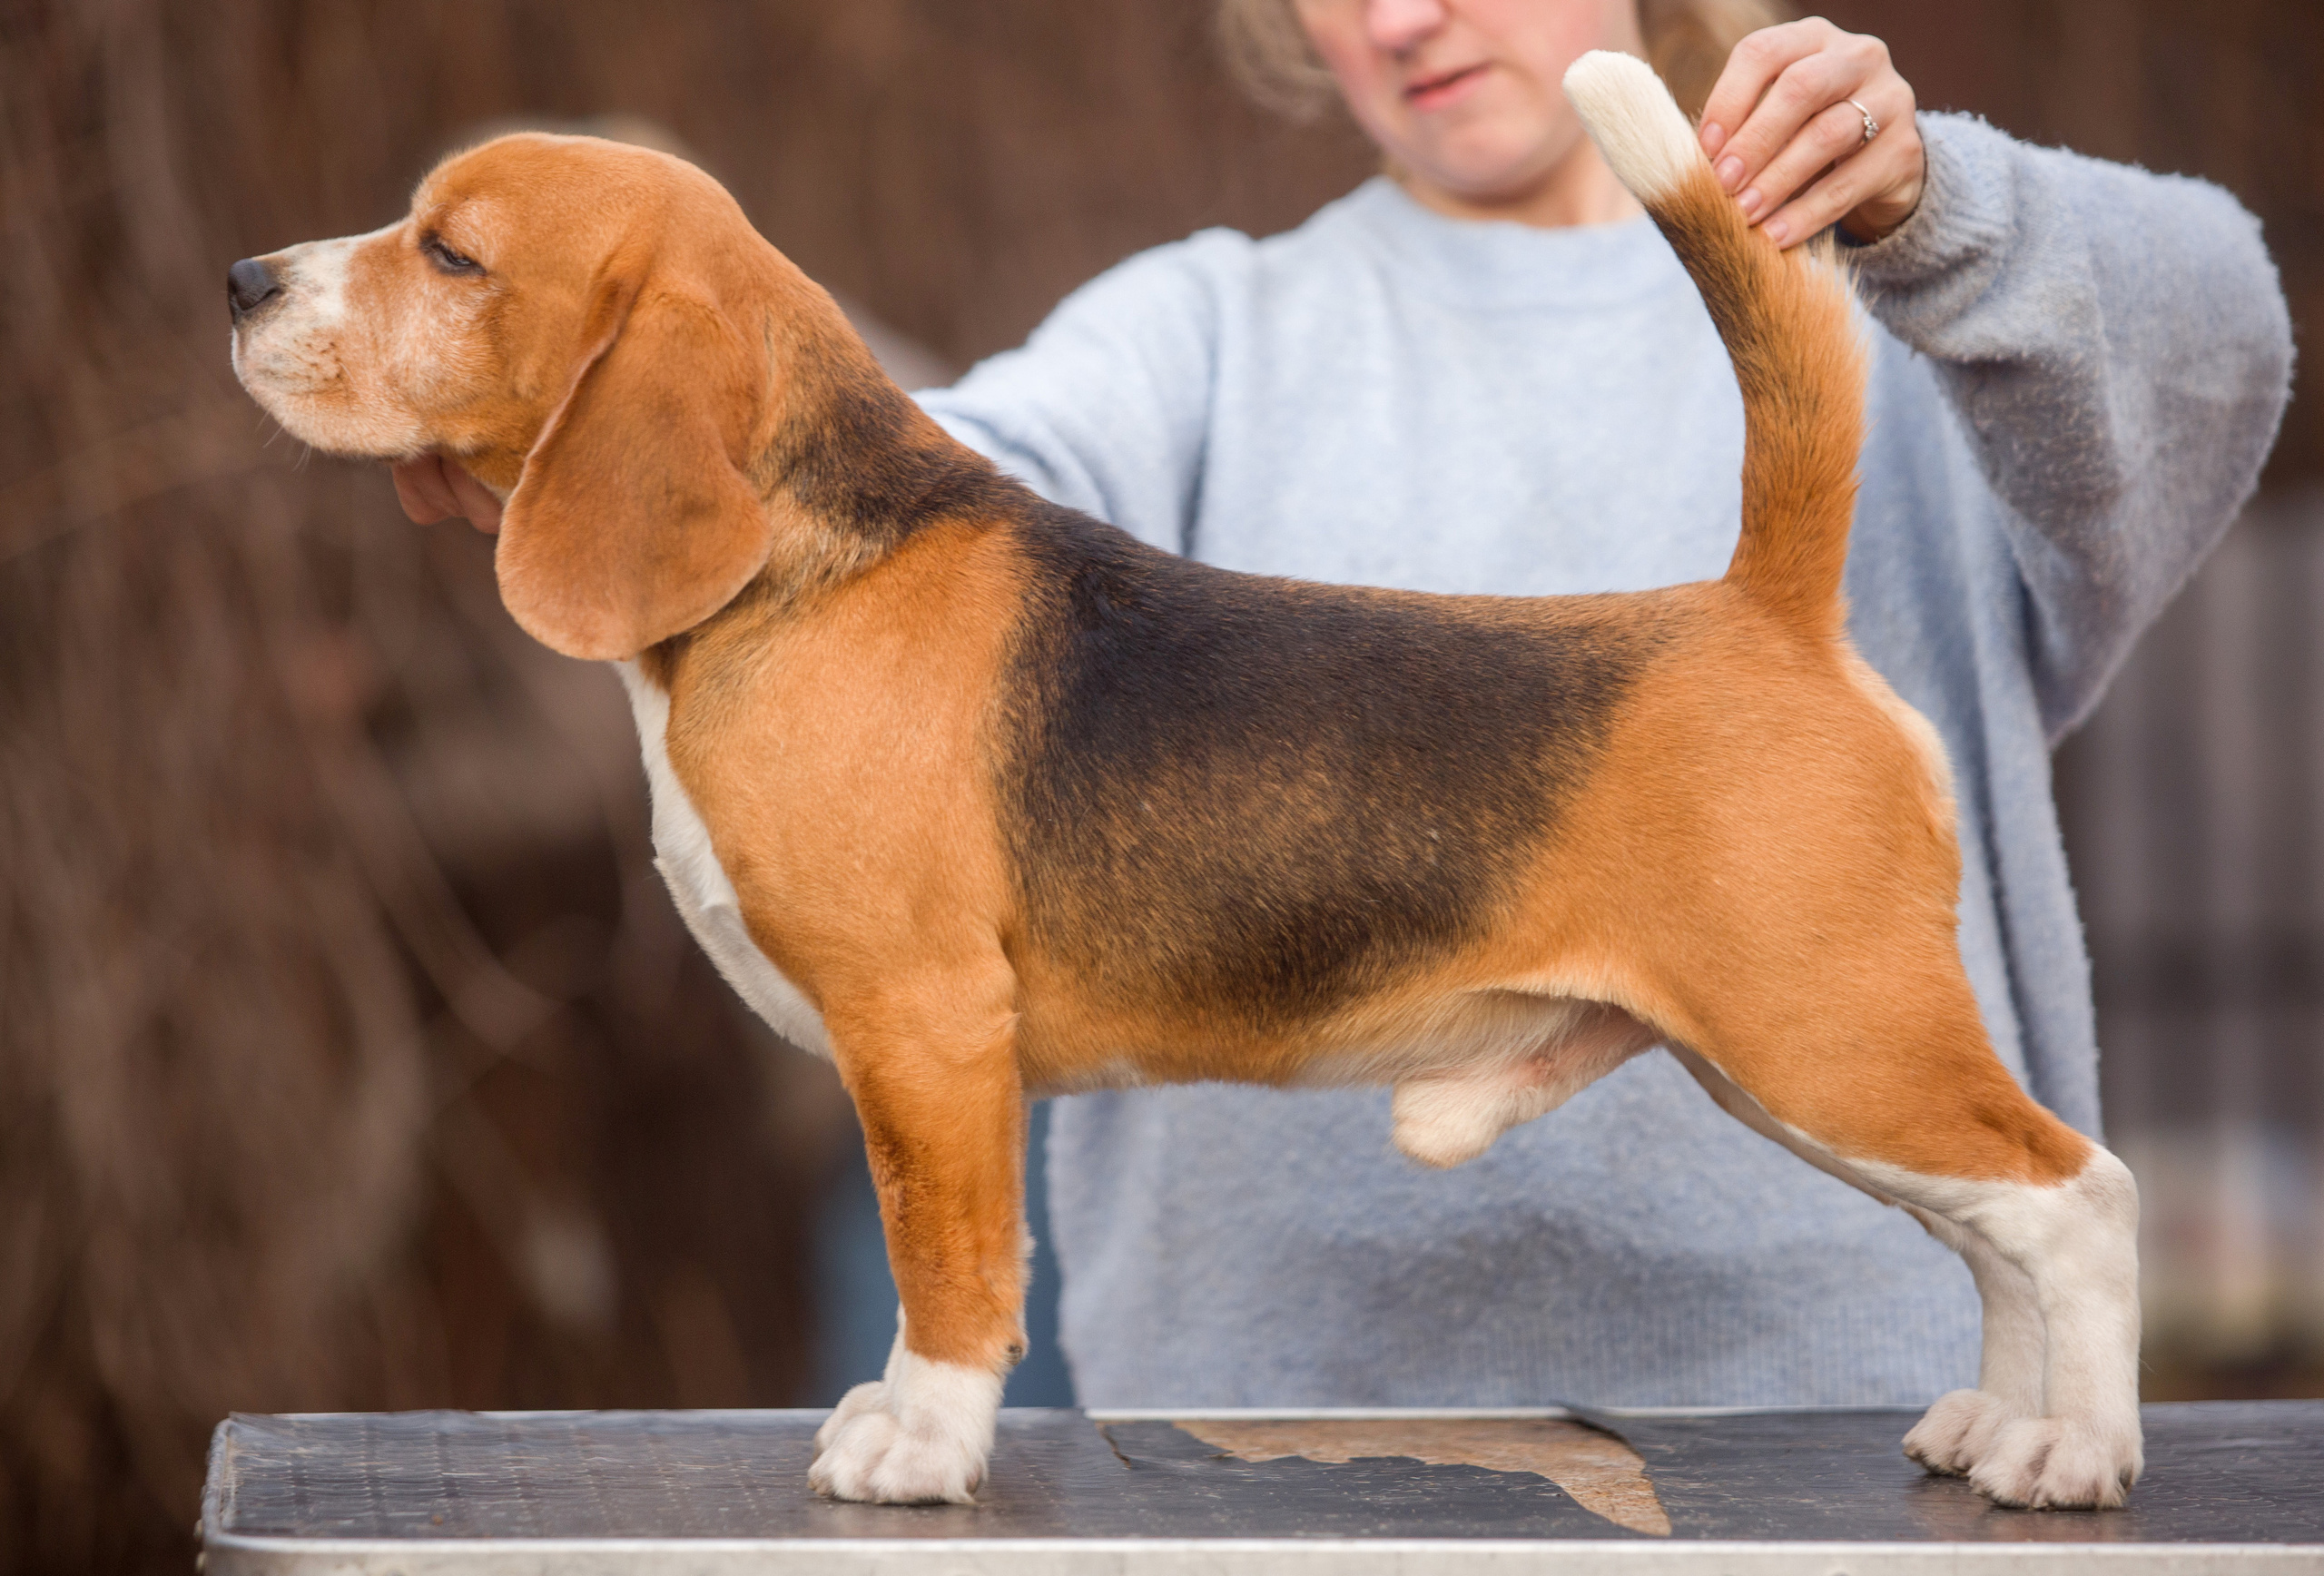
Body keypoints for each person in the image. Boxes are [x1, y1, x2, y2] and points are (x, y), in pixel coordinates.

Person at [396, 2, 2290, 1410]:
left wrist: (1937, 207)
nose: (1393, 12)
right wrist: (601, 391)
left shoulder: (1933, 301)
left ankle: (2056, 1331)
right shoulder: (1202, 329)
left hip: (1844, 1453)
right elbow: (918, 494)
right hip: (1253, 1449)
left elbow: (2217, 335)